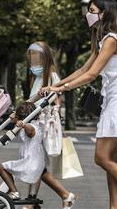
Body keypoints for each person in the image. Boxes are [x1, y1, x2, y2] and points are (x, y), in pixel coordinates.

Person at [44, 0, 117, 209]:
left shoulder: (111, 40)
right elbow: (83, 69)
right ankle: (114, 206)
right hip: (114, 99)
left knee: (101, 157)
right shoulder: (104, 39)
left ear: (104, 13)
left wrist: (61, 88)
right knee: (110, 159)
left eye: (92, 10)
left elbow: (92, 75)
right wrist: (56, 85)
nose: (88, 14)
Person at [25, 42, 76, 208]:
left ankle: (65, 194)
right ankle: (32, 200)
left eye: (35, 56)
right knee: (36, 163)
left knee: (36, 164)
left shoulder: (51, 77)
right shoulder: (38, 77)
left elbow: (56, 100)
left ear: (43, 59)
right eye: (30, 56)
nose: (32, 60)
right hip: (35, 124)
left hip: (43, 126)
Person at [0, 102, 46, 201]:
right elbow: (17, 130)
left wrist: (23, 124)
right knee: (36, 176)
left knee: (1, 168)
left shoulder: (32, 127)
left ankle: (14, 191)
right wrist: (14, 120)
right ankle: (32, 195)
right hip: (35, 162)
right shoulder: (36, 124)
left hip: (29, 163)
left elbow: (30, 131)